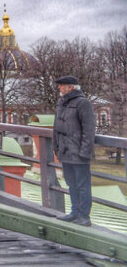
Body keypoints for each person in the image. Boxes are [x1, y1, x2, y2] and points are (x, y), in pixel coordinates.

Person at [53, 75, 96, 226]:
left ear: (70, 87)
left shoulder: (83, 103)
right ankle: (75, 212)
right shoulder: (62, 102)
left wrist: (84, 152)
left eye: (62, 85)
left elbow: (89, 130)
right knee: (71, 184)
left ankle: (84, 216)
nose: (59, 88)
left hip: (78, 153)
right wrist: (57, 147)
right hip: (65, 152)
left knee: (82, 185)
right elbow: (56, 128)